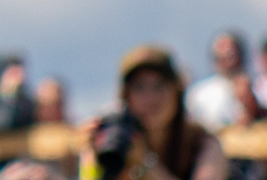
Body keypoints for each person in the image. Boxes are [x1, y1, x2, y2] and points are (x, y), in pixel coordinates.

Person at [84, 48, 226, 180]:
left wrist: (145, 162)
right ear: (127, 97)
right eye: (139, 87)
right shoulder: (118, 142)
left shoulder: (202, 143)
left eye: (160, 86)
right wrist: (92, 155)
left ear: (177, 92)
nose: (150, 98)